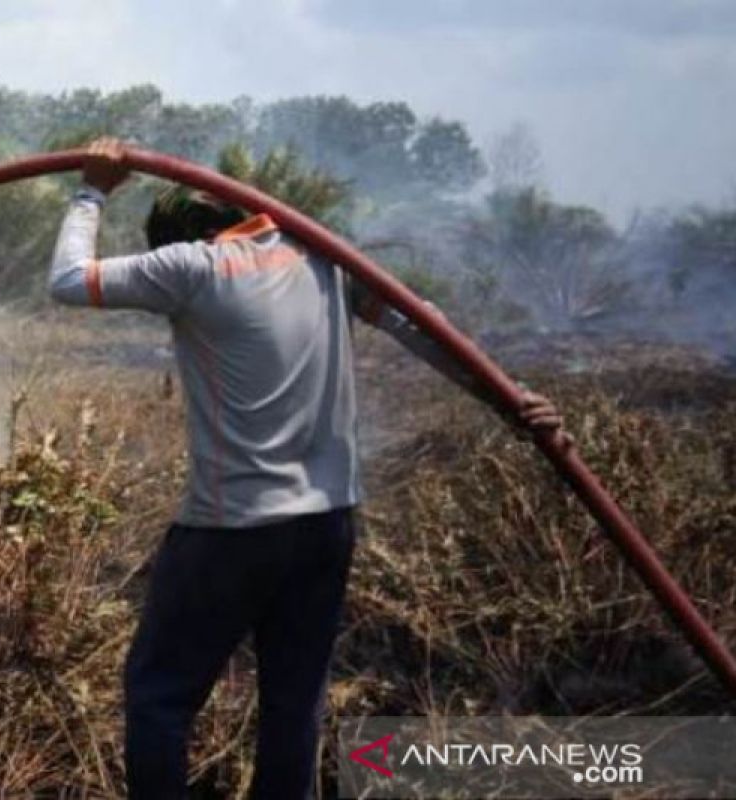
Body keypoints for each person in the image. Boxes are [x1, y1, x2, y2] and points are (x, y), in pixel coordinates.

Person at [47, 139, 569, 798]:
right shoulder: (326, 260)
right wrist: (509, 399)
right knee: (294, 706)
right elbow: (423, 325)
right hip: (326, 526)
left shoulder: (195, 266)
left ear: (185, 236)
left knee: (159, 697)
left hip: (231, 527)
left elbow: (68, 279)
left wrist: (92, 189)